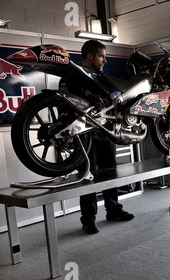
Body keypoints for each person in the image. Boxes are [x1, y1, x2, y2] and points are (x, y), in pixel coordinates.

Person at [59, 40, 134, 234]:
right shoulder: (72, 76)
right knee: (87, 175)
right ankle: (89, 219)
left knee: (110, 171)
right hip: (84, 136)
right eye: (101, 56)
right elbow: (65, 104)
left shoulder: (101, 78)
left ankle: (113, 210)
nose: (105, 60)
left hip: (105, 133)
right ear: (90, 56)